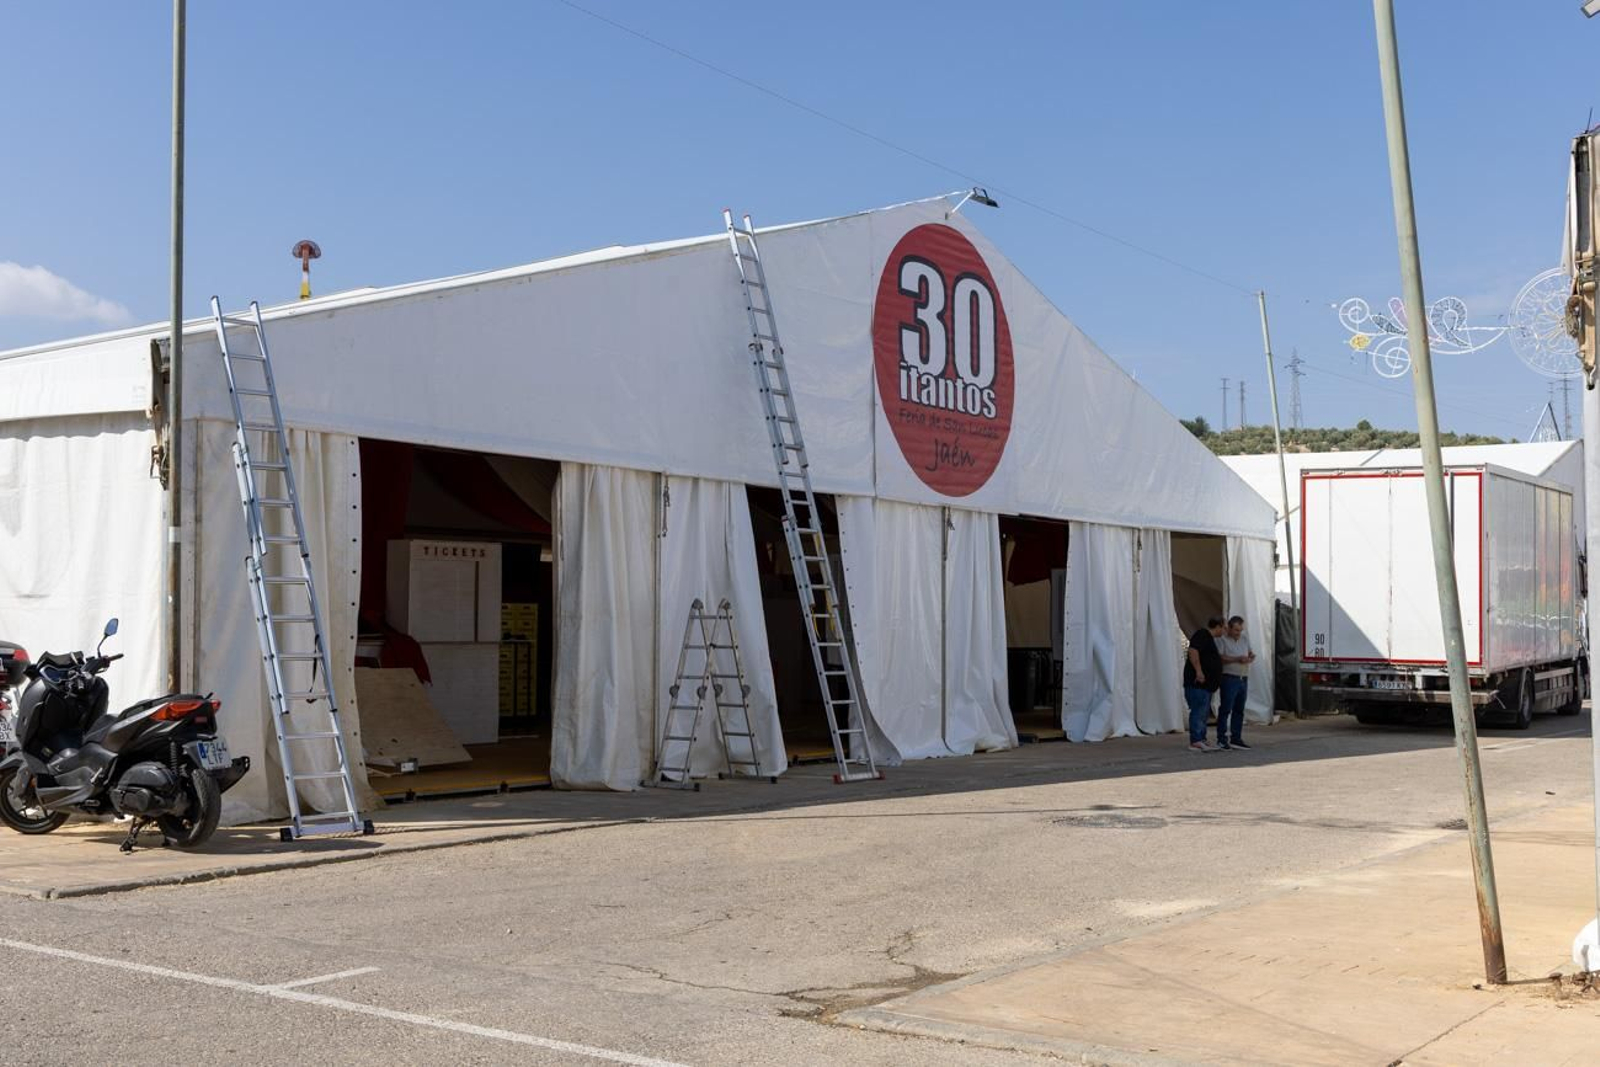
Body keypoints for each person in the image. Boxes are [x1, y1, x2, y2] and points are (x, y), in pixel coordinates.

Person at [1183, 616, 1226, 752]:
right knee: (1198, 711)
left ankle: (1201, 738)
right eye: (1224, 628)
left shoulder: (1209, 639)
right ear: (1217, 626)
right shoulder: (1202, 634)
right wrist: (1199, 671)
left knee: (1203, 712)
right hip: (1198, 684)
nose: (1224, 631)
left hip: (1206, 686)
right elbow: (1193, 650)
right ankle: (1196, 740)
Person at [1216, 615, 1256, 750]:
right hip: (1229, 677)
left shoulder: (1244, 639)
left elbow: (1250, 652)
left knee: (1239, 710)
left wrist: (1250, 657)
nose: (1239, 633)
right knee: (1226, 709)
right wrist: (1237, 659)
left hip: (1243, 677)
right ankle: (1221, 739)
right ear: (1229, 629)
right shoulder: (1222, 640)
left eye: (1240, 630)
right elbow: (1221, 658)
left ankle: (1236, 738)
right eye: (1236, 630)